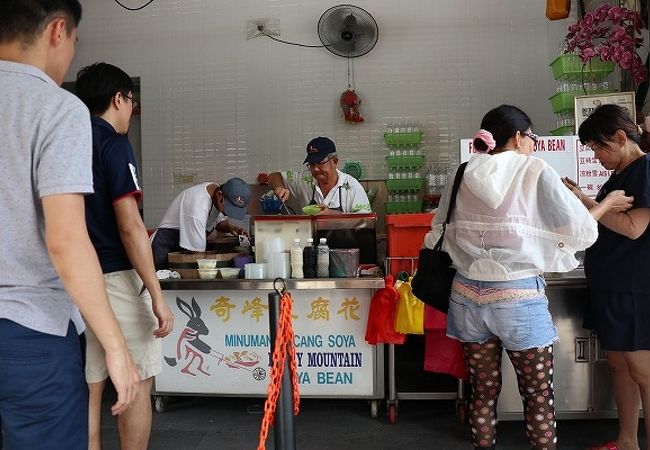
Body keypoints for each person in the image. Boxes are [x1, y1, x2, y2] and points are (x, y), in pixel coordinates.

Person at [424, 105, 631, 450]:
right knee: (537, 394)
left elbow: (437, 232)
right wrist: (607, 203)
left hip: (467, 297)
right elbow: (578, 230)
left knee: (483, 392)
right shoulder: (533, 169)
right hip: (517, 299)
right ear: (518, 137)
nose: (533, 144)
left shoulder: (461, 172)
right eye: (532, 137)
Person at [0, 2, 141, 449]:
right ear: (58, 30)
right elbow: (65, 239)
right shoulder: (55, 106)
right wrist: (116, 346)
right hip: (30, 331)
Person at [75, 62, 174, 450]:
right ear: (118, 98)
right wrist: (157, 295)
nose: (132, 110)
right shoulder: (114, 144)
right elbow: (130, 226)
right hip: (116, 279)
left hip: (77, 280)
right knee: (135, 380)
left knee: (91, 386)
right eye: (132, 101)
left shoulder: (68, 141)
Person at [564, 104, 650, 450]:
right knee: (618, 365)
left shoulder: (644, 170)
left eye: (600, 147)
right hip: (611, 285)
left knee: (642, 371)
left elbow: (633, 228)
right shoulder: (618, 177)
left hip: (634, 287)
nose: (597, 156)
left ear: (620, 137)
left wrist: (586, 202)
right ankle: (626, 440)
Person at [151, 178, 252, 270]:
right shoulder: (197, 208)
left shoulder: (216, 192)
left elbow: (218, 222)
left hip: (184, 248)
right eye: (229, 209)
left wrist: (230, 228)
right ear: (219, 195)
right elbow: (198, 256)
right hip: (164, 247)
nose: (228, 213)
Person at [268, 136, 371, 214]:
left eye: (320, 163)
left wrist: (332, 214)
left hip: (345, 241)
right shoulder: (305, 179)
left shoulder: (351, 186)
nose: (316, 169)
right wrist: (279, 187)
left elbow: (365, 221)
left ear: (334, 161)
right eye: (312, 164)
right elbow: (274, 176)